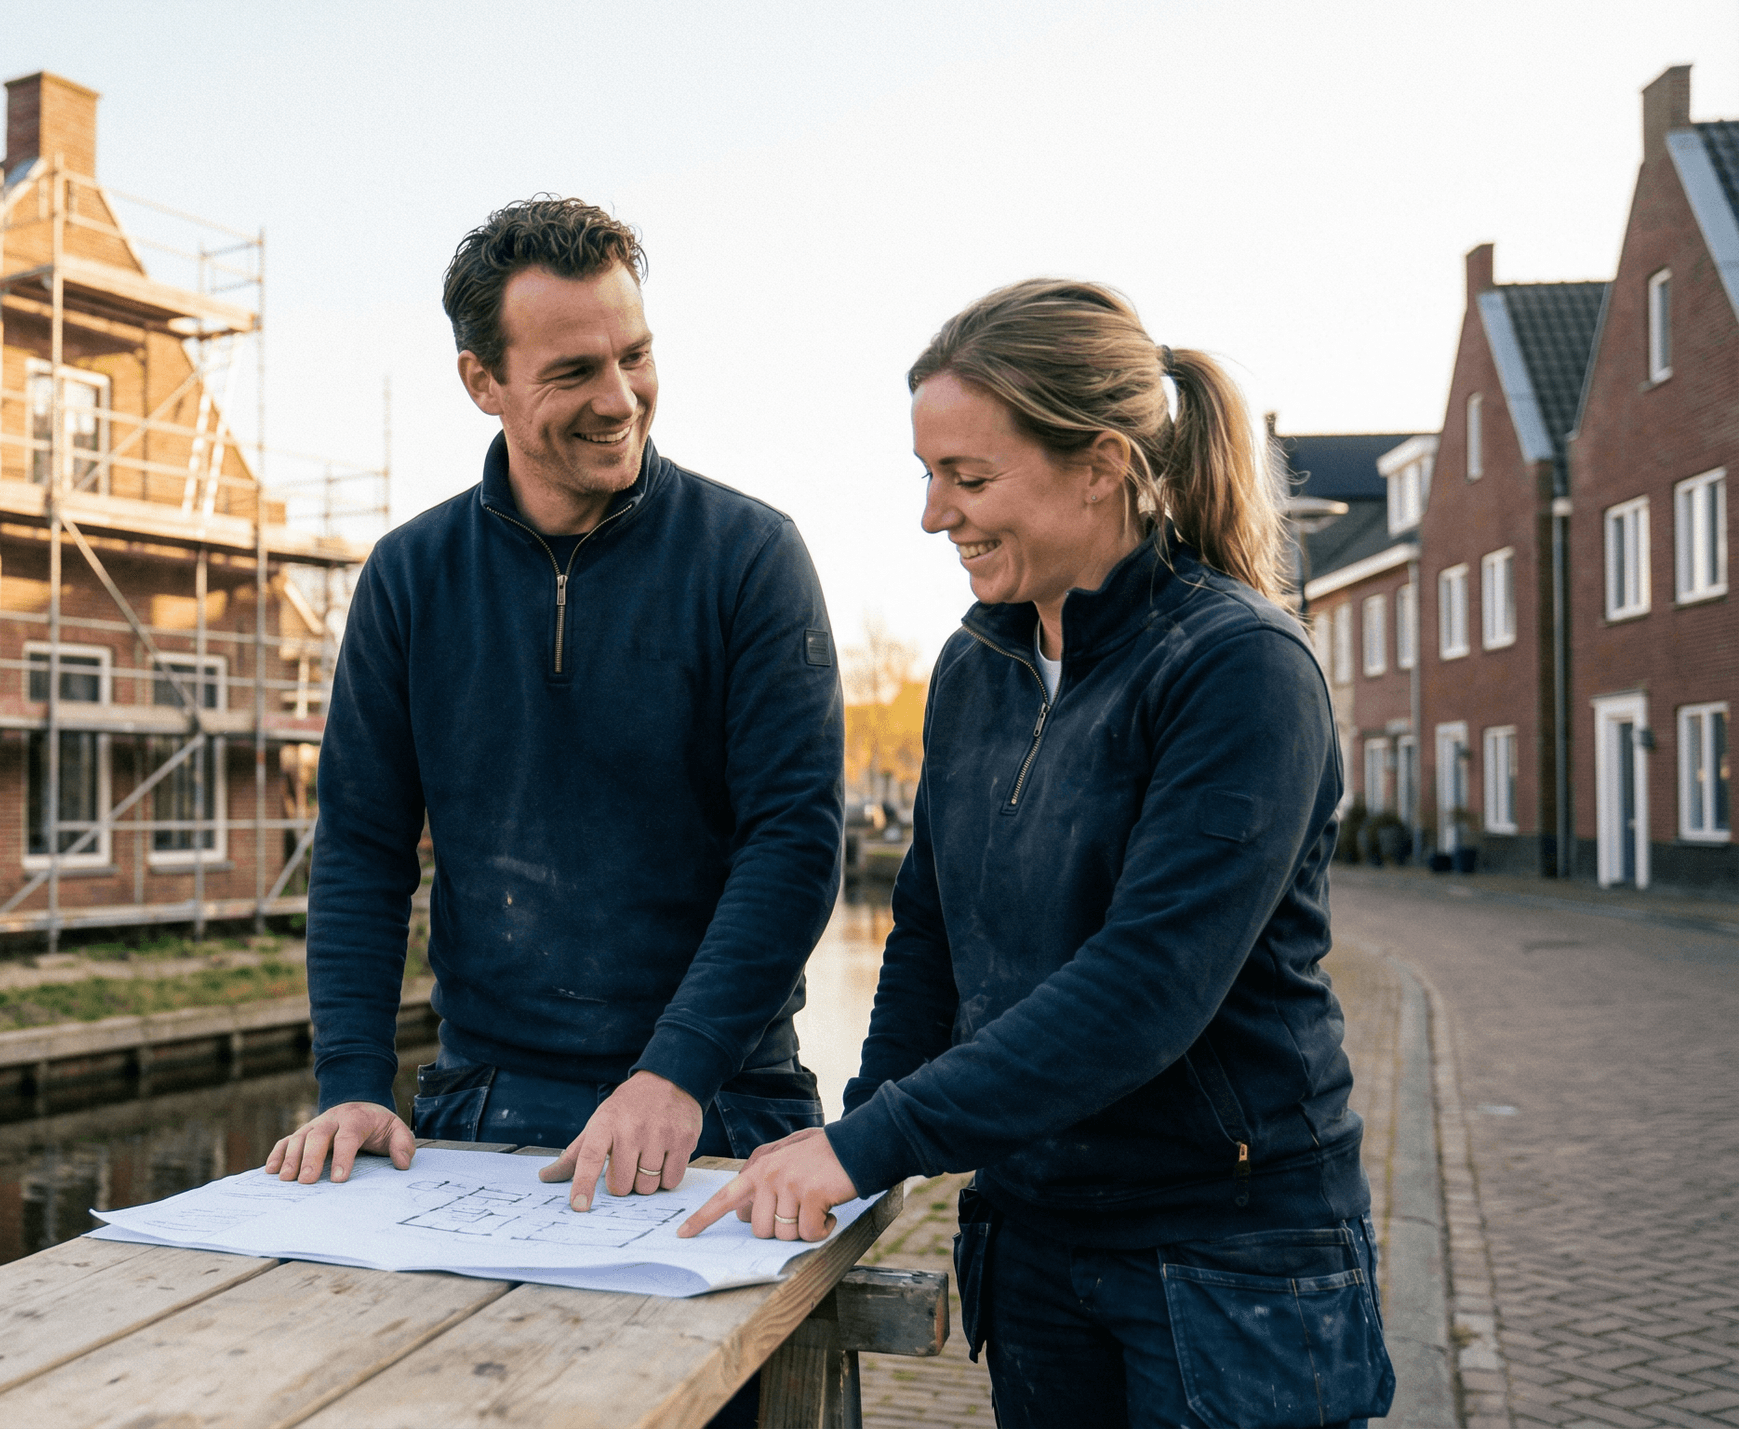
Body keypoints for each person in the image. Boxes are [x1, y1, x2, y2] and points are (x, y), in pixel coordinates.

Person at [684, 279, 1394, 1426]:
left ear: (1101, 464)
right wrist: (854, 1139)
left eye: (967, 478)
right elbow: (929, 934)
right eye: (927, 476)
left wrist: (872, 1145)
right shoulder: (976, 667)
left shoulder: (1239, 670)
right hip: (1034, 1243)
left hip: (1223, 1261)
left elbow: (1144, 988)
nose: (933, 514)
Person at [268, 198, 844, 1214]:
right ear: (481, 382)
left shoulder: (750, 559)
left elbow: (793, 843)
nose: (619, 397)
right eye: (574, 371)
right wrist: (351, 1081)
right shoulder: (410, 578)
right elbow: (361, 847)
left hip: (720, 1098)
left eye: (634, 355)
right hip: (486, 1102)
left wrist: (676, 1070)